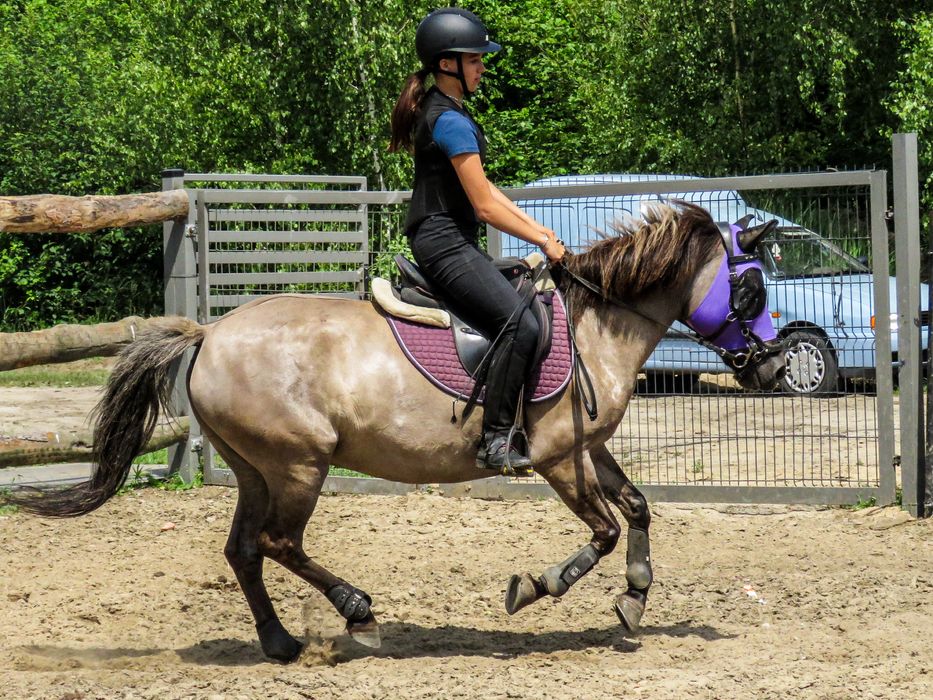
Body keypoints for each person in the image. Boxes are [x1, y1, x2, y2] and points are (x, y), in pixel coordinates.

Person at [389, 7, 566, 474]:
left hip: (449, 237)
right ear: (448, 64)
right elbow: (484, 209)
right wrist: (542, 241)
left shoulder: (451, 112)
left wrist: (539, 229)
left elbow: (486, 190)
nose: (483, 66)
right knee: (519, 324)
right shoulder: (447, 120)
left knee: (523, 313)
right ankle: (496, 438)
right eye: (475, 59)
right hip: (443, 241)